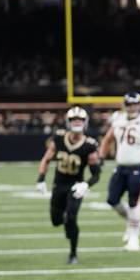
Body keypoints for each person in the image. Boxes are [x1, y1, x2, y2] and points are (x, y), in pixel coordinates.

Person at [98, 92, 140, 251]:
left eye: (135, 104)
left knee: (134, 201)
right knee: (112, 200)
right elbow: (107, 140)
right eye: (129, 104)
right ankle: (133, 222)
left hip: (139, 166)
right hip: (121, 166)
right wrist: (101, 157)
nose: (132, 107)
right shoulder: (117, 120)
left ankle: (134, 237)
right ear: (124, 105)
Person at [36, 107, 101, 264]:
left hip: (75, 187)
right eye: (73, 120)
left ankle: (73, 254)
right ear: (68, 122)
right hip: (59, 185)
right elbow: (46, 159)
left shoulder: (89, 145)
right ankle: (66, 224)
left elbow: (96, 174)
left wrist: (86, 184)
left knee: (71, 218)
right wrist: (41, 179)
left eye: (80, 120)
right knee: (56, 220)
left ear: (85, 123)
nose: (77, 122)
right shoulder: (58, 138)